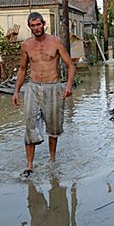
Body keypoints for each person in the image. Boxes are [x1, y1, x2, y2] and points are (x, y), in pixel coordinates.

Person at [12, 12, 76, 177]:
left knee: (54, 127)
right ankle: (29, 166)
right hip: (33, 87)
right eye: (33, 26)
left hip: (53, 87)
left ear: (44, 24)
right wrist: (16, 91)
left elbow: (70, 65)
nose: (36, 28)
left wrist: (68, 86)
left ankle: (52, 161)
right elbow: (22, 69)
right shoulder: (26, 45)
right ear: (29, 27)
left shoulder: (55, 42)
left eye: (38, 24)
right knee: (30, 125)